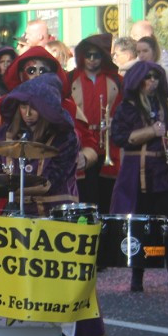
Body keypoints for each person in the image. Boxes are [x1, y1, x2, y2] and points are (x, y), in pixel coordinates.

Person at [109, 61, 168, 293]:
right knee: (140, 225)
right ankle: (137, 277)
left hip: (165, 173)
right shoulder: (128, 107)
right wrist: (150, 132)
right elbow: (119, 137)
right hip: (137, 173)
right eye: (147, 77)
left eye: (156, 77)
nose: (152, 81)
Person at [0, 73, 80, 215]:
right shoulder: (5, 133)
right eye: (23, 106)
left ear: (46, 109)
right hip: (16, 215)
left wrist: (2, 190)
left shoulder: (65, 137)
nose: (28, 113)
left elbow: (50, 182)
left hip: (56, 215)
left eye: (34, 107)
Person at [66, 33, 121, 212]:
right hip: (81, 142)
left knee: (107, 194)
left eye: (96, 55)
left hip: (109, 143)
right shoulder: (69, 79)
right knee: (85, 192)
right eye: (87, 55)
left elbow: (125, 109)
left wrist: (116, 121)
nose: (91, 59)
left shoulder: (117, 80)